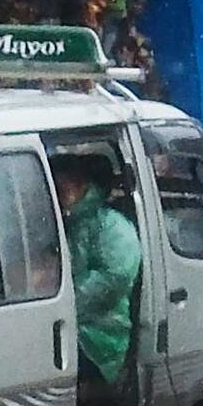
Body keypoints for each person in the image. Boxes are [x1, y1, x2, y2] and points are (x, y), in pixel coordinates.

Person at [60, 145, 144, 393]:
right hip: (65, 331)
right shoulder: (61, 222)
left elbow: (115, 277)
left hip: (100, 340)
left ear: (80, 183)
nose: (58, 192)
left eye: (63, 185)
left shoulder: (112, 226)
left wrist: (66, 305)